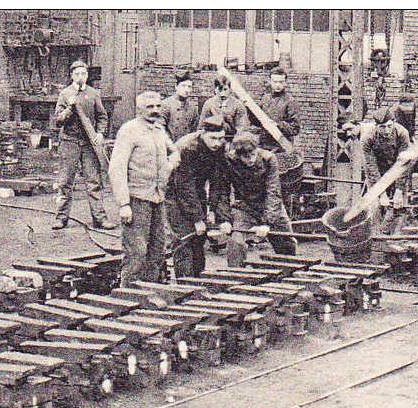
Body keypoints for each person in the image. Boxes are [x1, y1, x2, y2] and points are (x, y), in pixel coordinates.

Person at [109, 91, 180, 287]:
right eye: (150, 107)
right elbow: (117, 168)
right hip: (136, 199)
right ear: (139, 109)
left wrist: (171, 164)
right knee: (136, 253)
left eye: (158, 106)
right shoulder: (129, 130)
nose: (155, 111)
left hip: (158, 198)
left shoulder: (158, 130)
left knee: (157, 250)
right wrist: (124, 204)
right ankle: (127, 297)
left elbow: (174, 151)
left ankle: (149, 293)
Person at [211, 131, 297, 267]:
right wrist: (224, 219)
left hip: (270, 207)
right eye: (245, 157)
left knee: (286, 244)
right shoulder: (229, 161)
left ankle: (289, 273)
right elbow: (222, 191)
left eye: (252, 154)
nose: (250, 159)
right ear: (238, 155)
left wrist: (267, 223)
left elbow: (273, 192)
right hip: (245, 208)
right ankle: (236, 275)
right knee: (236, 243)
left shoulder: (269, 159)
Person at [52, 59, 115, 230]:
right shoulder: (65, 94)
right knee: (65, 182)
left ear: (87, 76)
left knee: (93, 181)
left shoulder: (94, 94)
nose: (81, 77)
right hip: (69, 142)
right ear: (72, 76)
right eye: (77, 74)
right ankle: (61, 218)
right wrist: (70, 107)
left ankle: (100, 218)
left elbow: (102, 117)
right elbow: (58, 120)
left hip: (88, 144)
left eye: (84, 74)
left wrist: (101, 133)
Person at [167, 115, 228, 278]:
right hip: (173, 193)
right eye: (213, 138)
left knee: (199, 239)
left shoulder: (219, 147)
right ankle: (184, 286)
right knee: (184, 239)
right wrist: (197, 218)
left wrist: (213, 210)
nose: (217, 143)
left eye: (221, 138)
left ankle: (198, 281)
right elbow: (184, 186)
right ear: (203, 134)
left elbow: (217, 181)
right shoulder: (188, 148)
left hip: (196, 190)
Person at [251, 67, 303, 213]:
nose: (278, 85)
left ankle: (281, 217)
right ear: (270, 81)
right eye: (275, 81)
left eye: (281, 82)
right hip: (264, 147)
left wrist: (278, 125)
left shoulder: (290, 102)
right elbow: (256, 122)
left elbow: (295, 128)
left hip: (281, 151)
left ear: (285, 83)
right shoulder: (265, 98)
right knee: (261, 184)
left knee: (279, 187)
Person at [357, 107, 412, 234]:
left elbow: (403, 163)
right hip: (378, 172)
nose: (386, 130)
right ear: (376, 126)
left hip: (397, 169)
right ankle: (377, 236)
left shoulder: (402, 133)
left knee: (399, 205)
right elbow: (371, 167)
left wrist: (399, 190)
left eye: (389, 126)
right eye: (382, 127)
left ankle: (396, 238)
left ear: (394, 122)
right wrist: (381, 193)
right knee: (376, 205)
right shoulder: (367, 138)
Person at [161, 70, 200, 141]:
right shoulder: (165, 104)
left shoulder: (193, 108)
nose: (186, 90)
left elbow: (194, 130)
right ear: (176, 86)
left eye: (189, 87)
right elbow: (161, 129)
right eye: (183, 86)